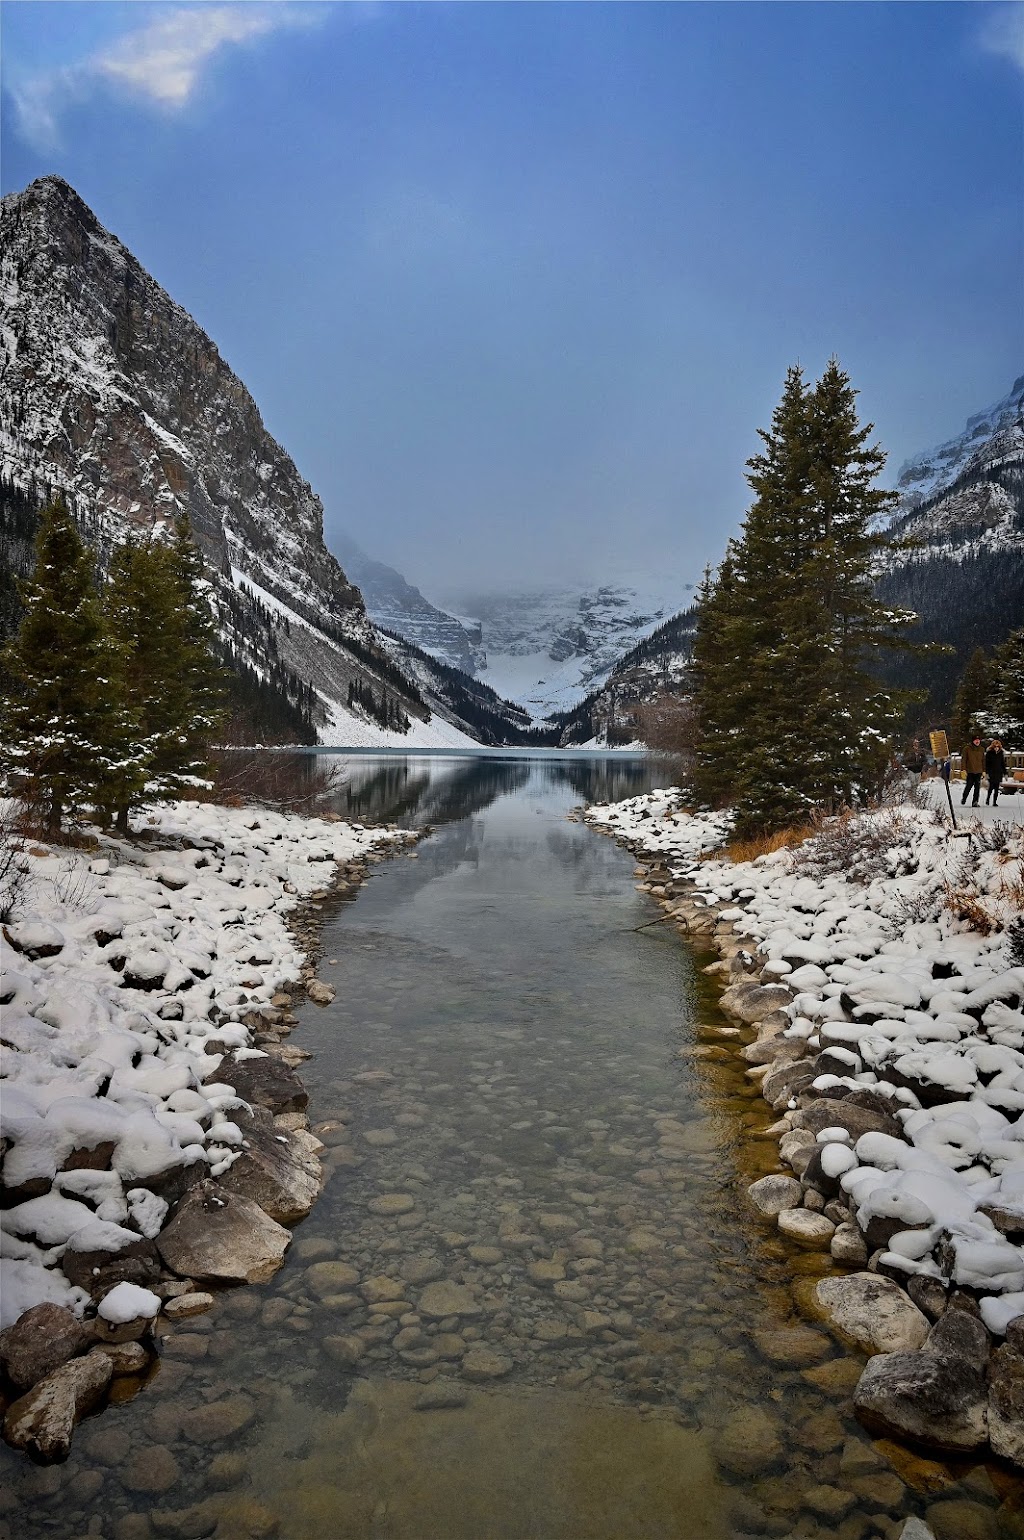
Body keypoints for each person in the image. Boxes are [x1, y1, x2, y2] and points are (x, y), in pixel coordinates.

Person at [961, 731, 985, 807]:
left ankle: (975, 801)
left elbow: (983, 760)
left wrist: (984, 770)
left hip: (979, 771)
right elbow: (964, 759)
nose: (977, 741)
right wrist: (963, 769)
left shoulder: (982, 749)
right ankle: (964, 798)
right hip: (970, 771)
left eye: (978, 740)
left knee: (977, 788)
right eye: (976, 740)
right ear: (973, 741)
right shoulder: (967, 749)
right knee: (969, 786)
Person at [986, 738, 1007, 806]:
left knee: (996, 788)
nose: (996, 748)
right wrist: (987, 773)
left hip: (998, 773)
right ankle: (988, 799)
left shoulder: (1001, 754)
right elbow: (987, 764)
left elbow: (1003, 764)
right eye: (995, 746)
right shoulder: (989, 753)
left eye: (998, 746)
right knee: (991, 787)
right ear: (992, 747)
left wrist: (1005, 773)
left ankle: (994, 802)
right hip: (991, 772)